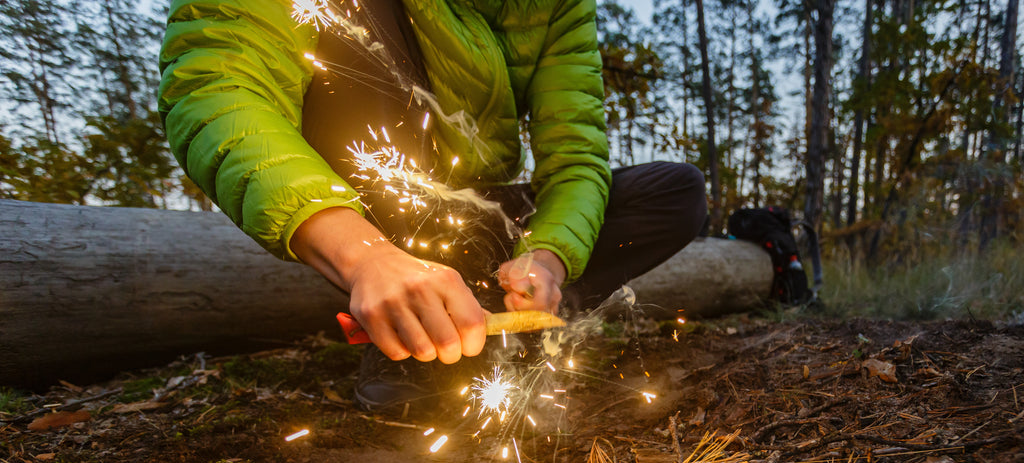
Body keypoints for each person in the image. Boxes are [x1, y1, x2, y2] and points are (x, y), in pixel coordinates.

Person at [158, 0, 707, 416]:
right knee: (352, 21)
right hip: (373, 206)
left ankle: (522, 324)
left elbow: (577, 157)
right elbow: (216, 85)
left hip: (482, 202)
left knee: (675, 191)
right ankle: (411, 332)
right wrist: (364, 255)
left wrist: (547, 258)